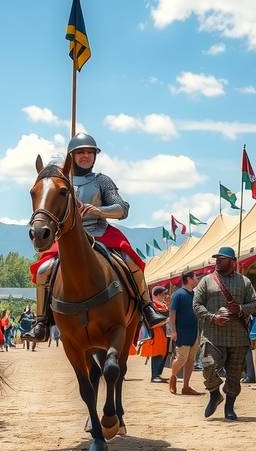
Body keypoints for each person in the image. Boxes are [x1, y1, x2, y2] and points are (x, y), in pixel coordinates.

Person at [27, 132, 166, 342]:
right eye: (80, 152)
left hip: (100, 233)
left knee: (129, 261)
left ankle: (147, 307)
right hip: (69, 236)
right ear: (71, 156)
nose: (85, 156)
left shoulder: (102, 181)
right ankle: (41, 321)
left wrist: (100, 211)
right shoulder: (61, 182)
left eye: (90, 152)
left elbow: (123, 209)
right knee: (44, 271)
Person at [193, 247, 256, 421]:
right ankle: (214, 393)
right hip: (212, 335)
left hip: (237, 337)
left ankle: (229, 407)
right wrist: (212, 317)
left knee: (234, 375)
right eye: (217, 258)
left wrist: (240, 308)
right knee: (207, 365)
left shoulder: (244, 282)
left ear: (232, 261)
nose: (218, 261)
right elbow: (197, 304)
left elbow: (254, 304)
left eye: (222, 259)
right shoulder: (207, 281)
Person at [169, 269, 203, 395]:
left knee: (191, 360)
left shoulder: (194, 295)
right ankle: (173, 377)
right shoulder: (178, 294)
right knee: (181, 358)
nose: (197, 279)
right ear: (189, 278)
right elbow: (172, 313)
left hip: (194, 332)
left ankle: (186, 386)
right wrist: (173, 331)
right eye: (195, 277)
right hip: (181, 332)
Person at [139, 285, 170, 383]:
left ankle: (158, 374)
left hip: (164, 333)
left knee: (163, 353)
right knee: (157, 354)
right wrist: (165, 321)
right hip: (156, 333)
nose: (165, 296)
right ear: (157, 295)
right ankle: (154, 376)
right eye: (163, 294)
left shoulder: (163, 305)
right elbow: (151, 322)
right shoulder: (152, 306)